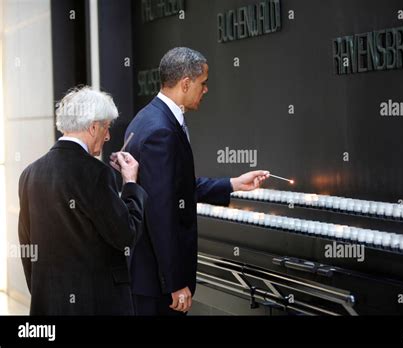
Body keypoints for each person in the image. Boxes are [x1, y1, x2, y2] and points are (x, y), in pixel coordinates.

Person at [121, 47, 269, 315]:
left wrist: (234, 183)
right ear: (186, 84)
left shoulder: (147, 118)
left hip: (150, 279)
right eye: (203, 83)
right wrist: (175, 283)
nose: (206, 89)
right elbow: (160, 212)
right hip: (158, 284)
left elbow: (177, 188)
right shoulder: (161, 131)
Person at [18, 86, 147, 315]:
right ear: (93, 127)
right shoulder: (96, 173)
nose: (108, 136)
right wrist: (130, 184)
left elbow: (28, 248)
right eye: (106, 128)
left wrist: (46, 293)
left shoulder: (29, 173)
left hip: (48, 306)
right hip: (97, 306)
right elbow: (125, 235)